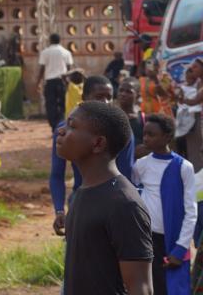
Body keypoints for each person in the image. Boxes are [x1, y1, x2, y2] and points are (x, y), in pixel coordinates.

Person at [57, 100, 154, 295]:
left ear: (98, 143)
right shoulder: (82, 191)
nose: (61, 131)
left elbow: (141, 288)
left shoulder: (124, 204)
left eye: (72, 126)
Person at [50, 76, 137, 236]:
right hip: (80, 203)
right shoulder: (65, 132)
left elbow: (126, 173)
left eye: (109, 97)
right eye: (99, 97)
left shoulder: (121, 132)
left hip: (112, 205)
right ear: (84, 98)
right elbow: (56, 174)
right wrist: (59, 210)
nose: (105, 102)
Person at [132, 113, 196, 295]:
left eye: (151, 134)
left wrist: (181, 248)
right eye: (144, 134)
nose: (145, 138)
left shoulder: (183, 167)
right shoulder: (141, 165)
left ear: (167, 137)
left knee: (174, 287)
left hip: (172, 240)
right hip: (146, 238)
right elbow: (134, 191)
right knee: (150, 285)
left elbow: (191, 211)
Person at [37, 33, 73, 130]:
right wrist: (68, 82)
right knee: (63, 103)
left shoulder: (45, 52)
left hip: (50, 82)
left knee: (50, 104)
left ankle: (54, 126)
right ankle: (61, 124)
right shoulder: (66, 52)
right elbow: (69, 69)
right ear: (60, 40)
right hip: (62, 81)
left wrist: (38, 82)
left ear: (50, 40)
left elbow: (42, 68)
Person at [119, 78, 149, 159]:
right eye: (121, 90)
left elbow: (150, 145)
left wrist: (146, 149)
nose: (123, 94)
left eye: (129, 92)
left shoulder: (144, 119)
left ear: (138, 95)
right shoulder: (111, 117)